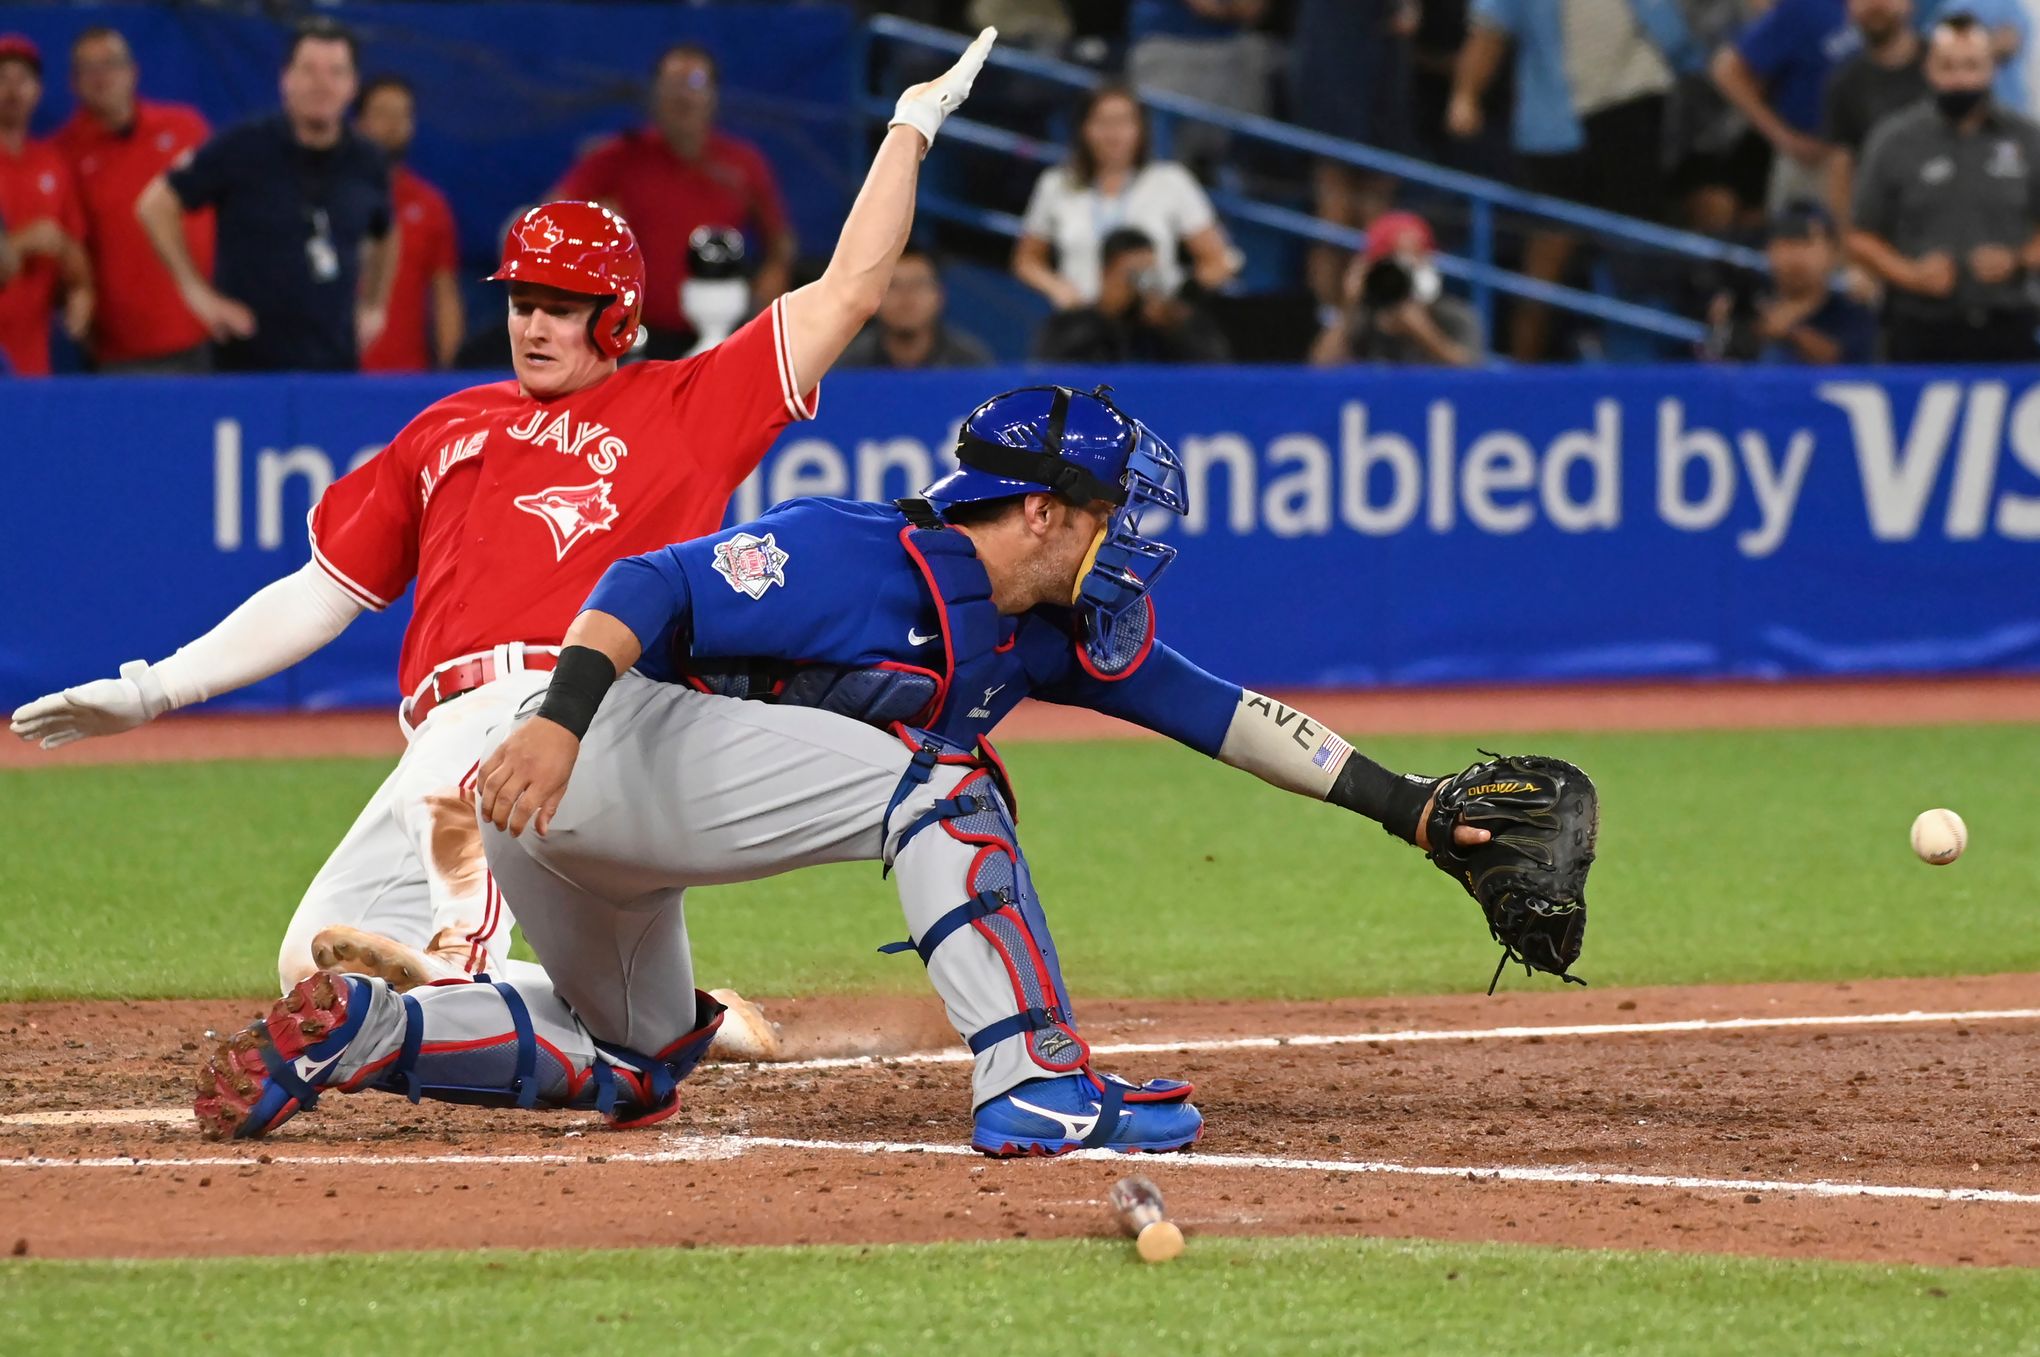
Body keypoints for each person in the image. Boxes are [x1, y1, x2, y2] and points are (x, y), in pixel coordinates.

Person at [187, 384, 1578, 1155]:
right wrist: (555, 718)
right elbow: (644, 581)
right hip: (581, 756)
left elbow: (1221, 714)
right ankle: (1035, 1079)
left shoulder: (1043, 627)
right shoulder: (858, 554)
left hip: (598, 825)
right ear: (1040, 510)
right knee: (942, 782)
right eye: (1106, 511)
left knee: (636, 1058)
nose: (1125, 537)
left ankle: (367, 1036)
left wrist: (1410, 811)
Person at [16, 31, 1001, 1027]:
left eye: (563, 309)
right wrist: (152, 689)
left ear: (617, 321)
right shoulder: (448, 427)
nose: (534, 325)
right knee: (327, 978)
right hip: (447, 736)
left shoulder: (682, 405)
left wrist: (909, 128)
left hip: (582, 716)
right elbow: (321, 593)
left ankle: (457, 968)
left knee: (450, 840)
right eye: (525, 302)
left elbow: (849, 291)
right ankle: (691, 1025)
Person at [135, 19, 394, 372]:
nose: (322, 84)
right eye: (309, 70)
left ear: (352, 86)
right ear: (285, 78)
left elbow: (386, 230)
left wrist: (375, 305)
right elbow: (156, 205)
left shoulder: (368, 160)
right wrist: (196, 293)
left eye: (336, 72)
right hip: (247, 363)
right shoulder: (242, 147)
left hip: (335, 361)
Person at [1447, 0, 1695, 360]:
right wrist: (1464, 96)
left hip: (1633, 115)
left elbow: (1678, 39)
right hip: (1556, 134)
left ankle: (1640, 376)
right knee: (1543, 273)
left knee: (1637, 268)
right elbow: (1489, 32)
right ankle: (1520, 385)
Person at [552, 43, 794, 354]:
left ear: (714, 95)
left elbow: (780, 241)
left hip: (722, 332)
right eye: (672, 84)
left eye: (695, 83)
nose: (684, 96)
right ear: (654, 94)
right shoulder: (619, 157)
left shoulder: (743, 164)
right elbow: (549, 219)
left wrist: (774, 275)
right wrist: (592, 224)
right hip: (636, 334)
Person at [1848, 15, 2040, 361]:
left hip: (2010, 324)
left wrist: (2017, 260)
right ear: (1929, 69)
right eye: (1948, 66)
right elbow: (1861, 237)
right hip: (1918, 326)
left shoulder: (2027, 139)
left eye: (1971, 66)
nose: (1960, 79)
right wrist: (1912, 274)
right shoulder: (1894, 140)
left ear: (1991, 69)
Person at [52, 26, 213, 374]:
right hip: (123, 351)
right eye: (88, 69)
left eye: (110, 63)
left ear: (133, 71)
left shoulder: (186, 127)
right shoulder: (62, 154)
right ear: (73, 83)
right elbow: (69, 247)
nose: (101, 77)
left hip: (204, 334)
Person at [1011, 83, 1236, 312]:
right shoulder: (1057, 184)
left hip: (1151, 326)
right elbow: (1026, 260)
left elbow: (1219, 260)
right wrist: (1058, 289)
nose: (1113, 133)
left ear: (1141, 129)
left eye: (1123, 122)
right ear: (1083, 128)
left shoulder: (1171, 182)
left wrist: (1178, 299)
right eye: (1102, 122)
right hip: (1083, 321)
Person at [354, 75, 462, 372]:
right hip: (337, 375)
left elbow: (444, 293)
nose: (393, 125)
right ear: (359, 123)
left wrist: (450, 370)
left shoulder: (430, 204)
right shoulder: (332, 195)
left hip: (407, 378)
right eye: (383, 114)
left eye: (403, 115)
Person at [0, 33, 92, 377]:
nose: (12, 90)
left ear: (38, 91)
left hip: (33, 358)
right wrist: (24, 241)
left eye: (22, 79)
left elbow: (72, 244)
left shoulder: (52, 162)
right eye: (2, 79)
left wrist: (82, 290)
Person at [1710, 0, 1856, 210]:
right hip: (1817, 163)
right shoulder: (1804, 8)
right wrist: (1785, 138)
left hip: (1868, 151)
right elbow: (1726, 70)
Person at [1706, 201, 1877, 362]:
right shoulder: (1747, 300)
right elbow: (1719, 367)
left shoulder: (1851, 310)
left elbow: (1849, 364)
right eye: (1787, 243)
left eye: (1806, 243)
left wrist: (1791, 334)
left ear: (1833, 252)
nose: (1795, 256)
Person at [1032, 226, 1230, 362]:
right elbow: (1053, 374)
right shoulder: (1070, 325)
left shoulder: (1164, 325)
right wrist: (1109, 314)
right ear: (1106, 272)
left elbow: (1213, 373)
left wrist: (1174, 327)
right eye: (1132, 274)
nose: (1140, 285)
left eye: (1148, 274)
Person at [1822, 0, 1930, 229]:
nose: (1874, 5)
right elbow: (1840, 168)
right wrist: (1846, 239)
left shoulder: (1944, 68)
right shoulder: (1844, 83)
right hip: (1879, 229)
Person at [838, 245, 993, 368]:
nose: (906, 297)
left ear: (940, 296)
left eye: (918, 284)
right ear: (874, 297)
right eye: (893, 285)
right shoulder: (851, 365)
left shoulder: (970, 363)